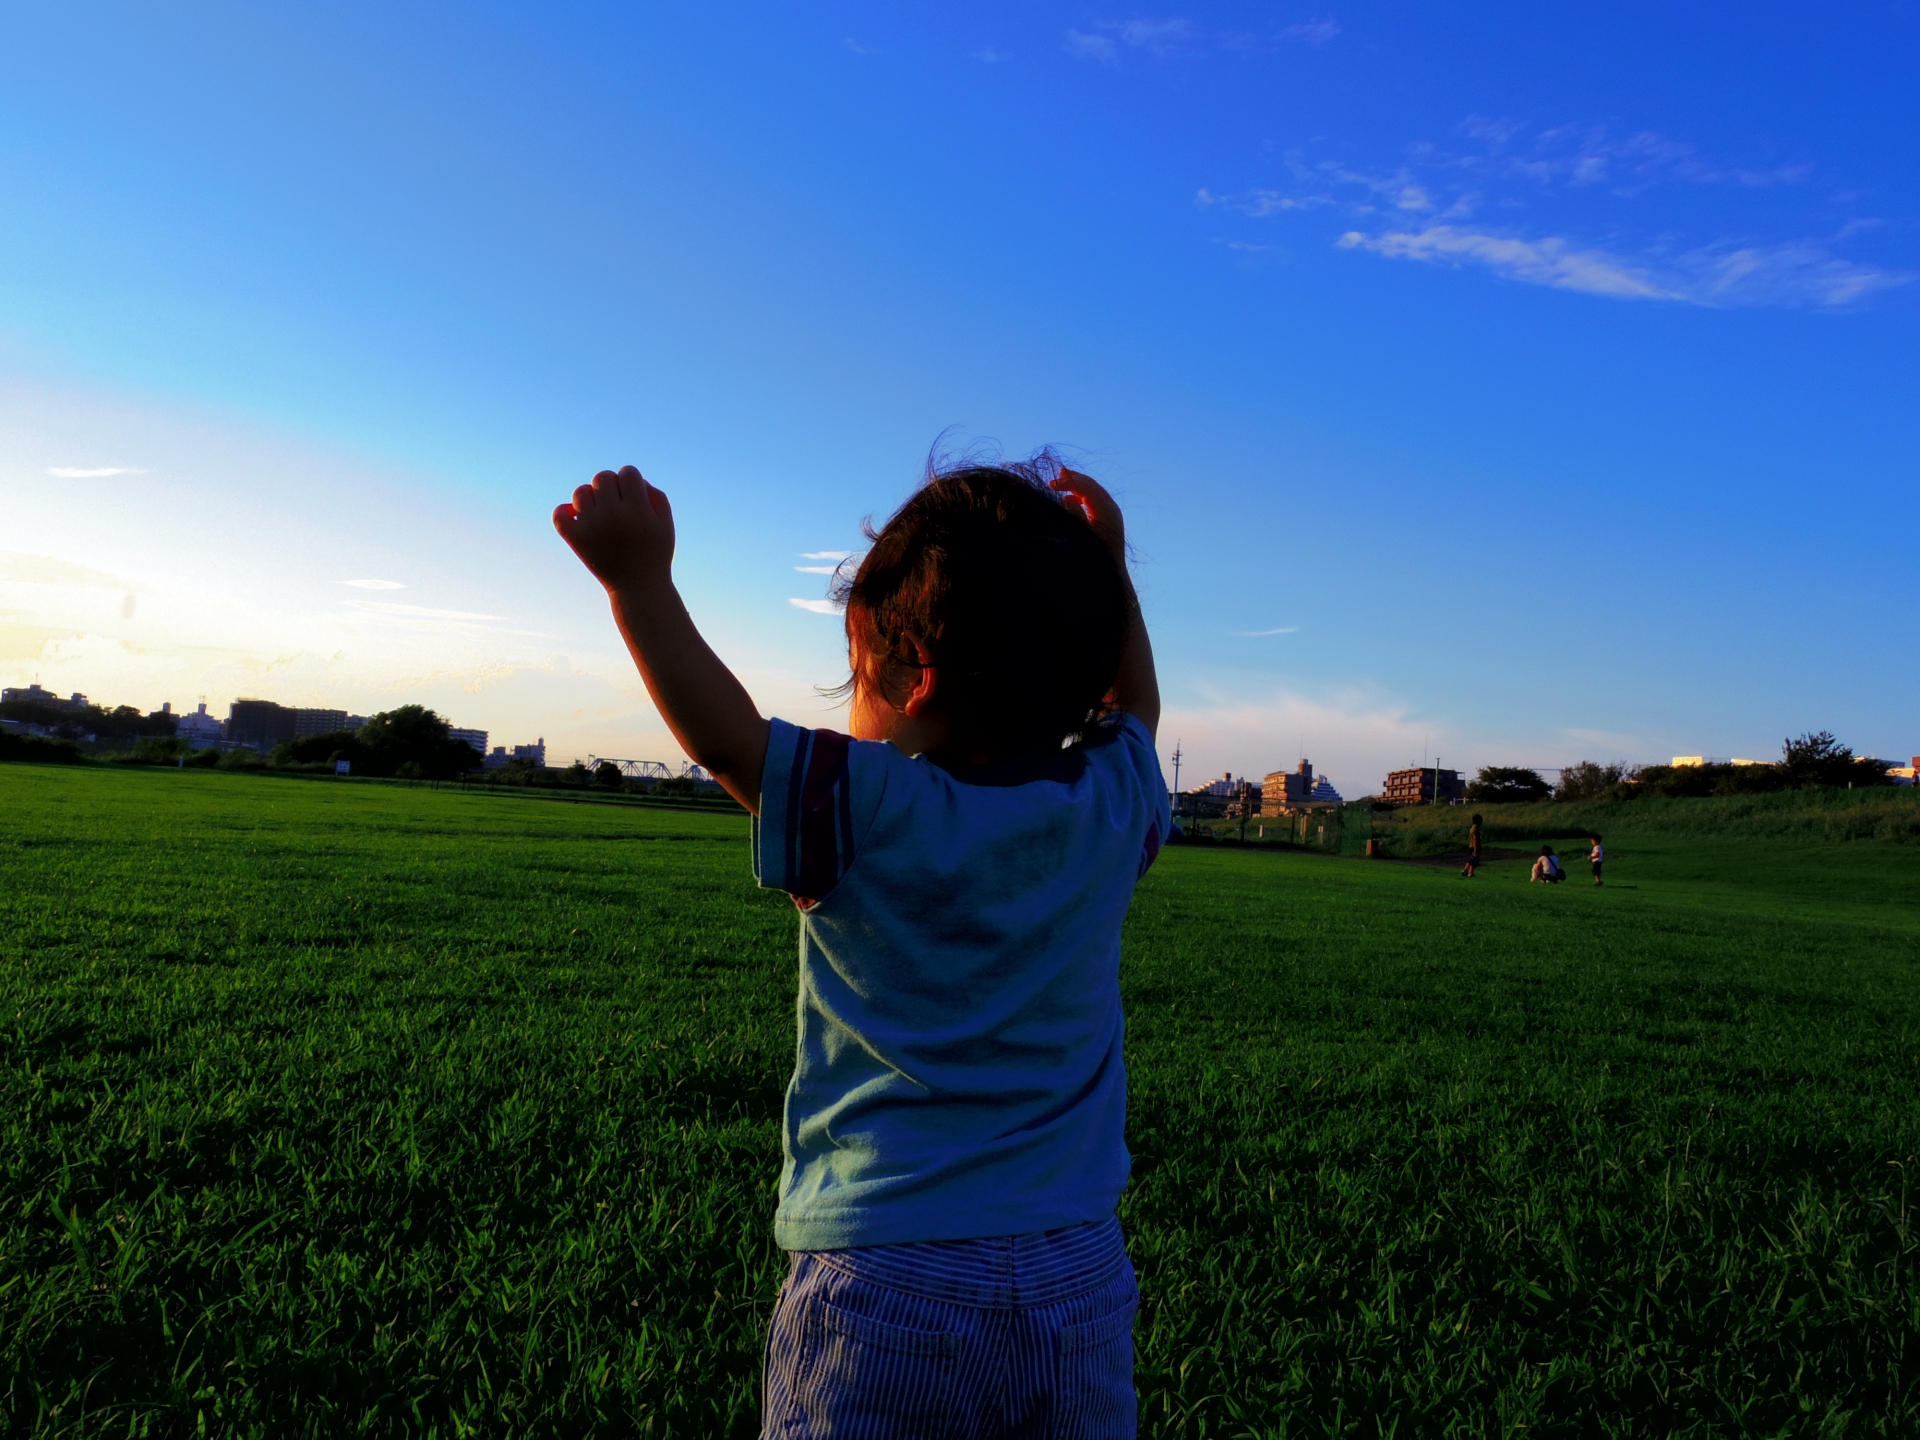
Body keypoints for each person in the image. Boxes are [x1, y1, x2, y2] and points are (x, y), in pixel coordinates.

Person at [554, 452, 1165, 1437]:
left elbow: (728, 740)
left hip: (888, 1270)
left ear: (912, 675)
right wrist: (1114, 573)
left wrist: (638, 586)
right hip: (1078, 1271)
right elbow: (1137, 710)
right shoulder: (1111, 804)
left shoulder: (869, 806)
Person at [1461, 812, 1483, 878]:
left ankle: (1465, 870)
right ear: (1479, 822)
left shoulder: (1472, 828)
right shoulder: (1476, 830)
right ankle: (1470, 873)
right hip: (1474, 847)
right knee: (1474, 861)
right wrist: (1476, 850)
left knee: (1470, 860)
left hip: (1470, 846)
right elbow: (1475, 840)